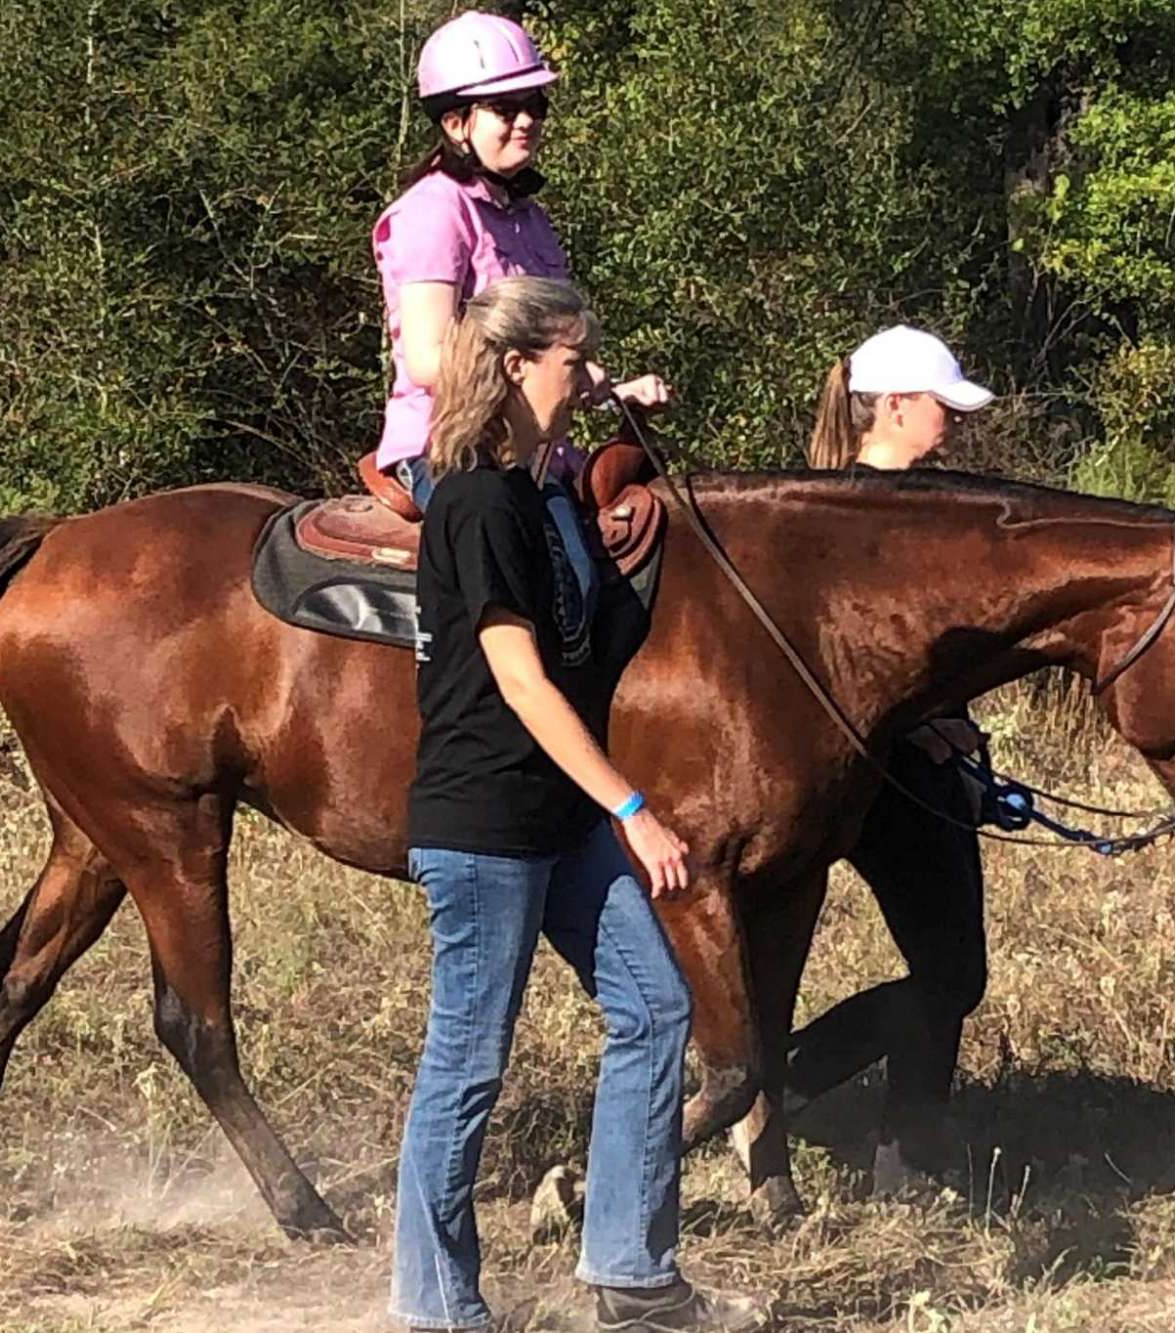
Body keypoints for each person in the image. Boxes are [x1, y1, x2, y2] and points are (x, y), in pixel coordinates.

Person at [392, 274, 766, 1333]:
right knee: (469, 1059)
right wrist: (634, 806)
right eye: (573, 360)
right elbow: (518, 680)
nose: (586, 377)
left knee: (655, 1006)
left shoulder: (541, 493)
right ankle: (434, 1306)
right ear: (516, 367)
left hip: (557, 819)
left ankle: (631, 1271)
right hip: (485, 823)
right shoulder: (471, 499)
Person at [788, 325, 999, 1192]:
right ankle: (788, 1085)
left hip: (929, 756)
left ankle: (909, 1155)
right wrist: (922, 728)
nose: (950, 419)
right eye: (940, 404)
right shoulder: (853, 512)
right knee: (953, 972)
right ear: (896, 405)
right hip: (887, 770)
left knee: (951, 969)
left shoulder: (907, 499)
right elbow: (848, 655)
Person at [372, 10, 669, 515]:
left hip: (533, 452)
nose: (527, 120)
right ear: (455, 123)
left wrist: (603, 385)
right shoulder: (432, 212)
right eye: (506, 108)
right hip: (452, 451)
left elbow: (549, 350)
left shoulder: (531, 219)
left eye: (535, 104)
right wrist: (558, 375)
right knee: (563, 573)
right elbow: (428, 360)